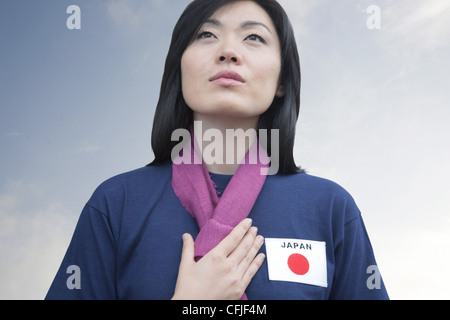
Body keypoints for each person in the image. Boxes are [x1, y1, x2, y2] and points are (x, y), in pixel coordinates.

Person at [46, 0, 389, 300]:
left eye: (254, 37)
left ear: (283, 81)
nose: (228, 51)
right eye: (206, 35)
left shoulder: (329, 208)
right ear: (178, 70)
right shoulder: (116, 203)